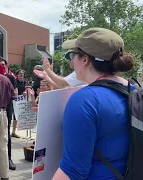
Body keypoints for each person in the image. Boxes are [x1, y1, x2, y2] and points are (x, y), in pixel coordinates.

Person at [52, 28, 133, 179]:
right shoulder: (135, 90)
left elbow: (73, 171)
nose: (71, 63)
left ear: (84, 59)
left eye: (72, 55)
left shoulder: (84, 100)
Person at [0, 57, 17, 171]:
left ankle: (8, 158)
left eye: (3, 64)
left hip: (7, 109)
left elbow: (15, 93)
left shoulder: (10, 78)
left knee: (6, 135)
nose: (2, 66)